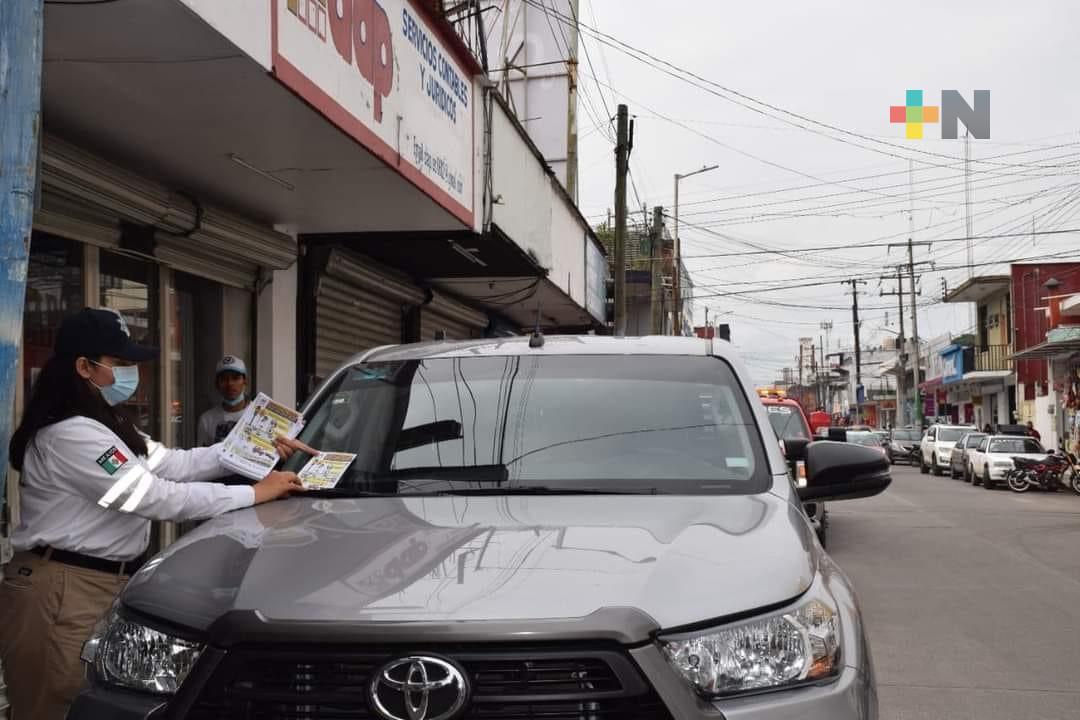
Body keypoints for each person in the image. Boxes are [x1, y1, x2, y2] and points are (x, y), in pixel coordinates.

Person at [0, 308, 311, 720]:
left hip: (96, 584)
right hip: (63, 590)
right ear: (84, 367)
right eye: (118, 362)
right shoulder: (71, 433)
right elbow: (152, 497)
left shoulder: (105, 422)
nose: (130, 373)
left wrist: (254, 446)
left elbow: (173, 463)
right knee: (58, 707)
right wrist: (252, 493)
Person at [197, 355, 249, 446]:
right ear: (217, 384)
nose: (230, 383)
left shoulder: (259, 415)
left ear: (245, 382)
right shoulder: (207, 419)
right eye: (224, 379)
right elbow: (202, 453)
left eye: (235, 378)